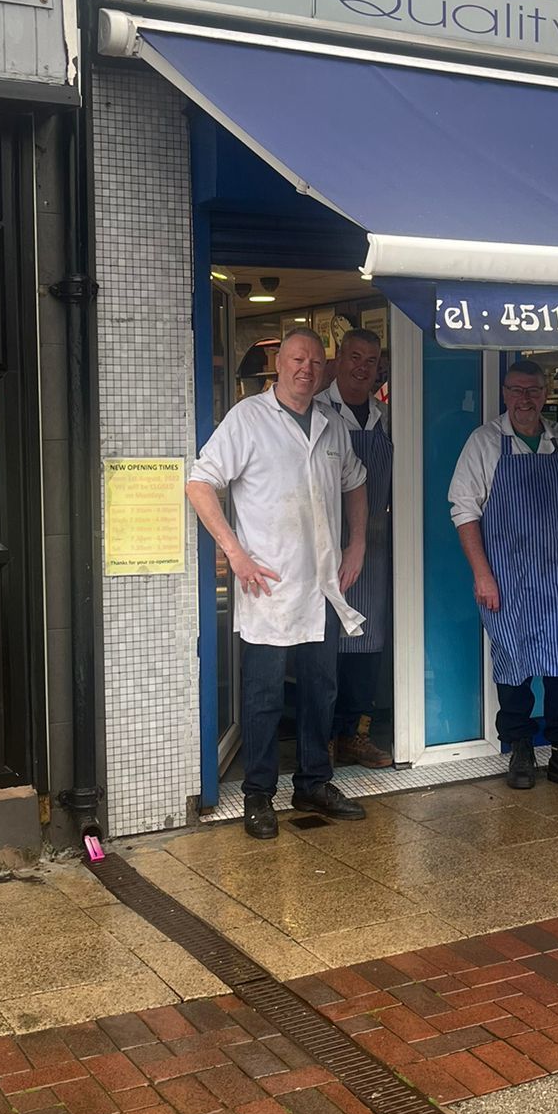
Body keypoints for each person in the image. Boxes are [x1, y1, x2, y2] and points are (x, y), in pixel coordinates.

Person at [187, 328, 369, 840]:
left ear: (323, 368)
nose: (305, 368)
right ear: (279, 364)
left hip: (322, 587)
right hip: (267, 587)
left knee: (320, 692)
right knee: (264, 696)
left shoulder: (332, 425)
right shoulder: (247, 418)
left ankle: (314, 782)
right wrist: (234, 552)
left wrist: (357, 546)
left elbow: (355, 481)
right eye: (296, 358)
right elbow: (200, 483)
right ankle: (259, 795)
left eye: (314, 360)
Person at [448, 356, 558, 794]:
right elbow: (464, 512)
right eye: (517, 390)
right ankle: (519, 746)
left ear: (545, 394)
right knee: (514, 662)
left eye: (533, 390)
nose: (525, 399)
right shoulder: (485, 442)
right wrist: (482, 575)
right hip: (506, 576)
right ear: (504, 394)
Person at [323, 328, 393, 769]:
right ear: (339, 359)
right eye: (354, 357)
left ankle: (355, 733)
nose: (362, 367)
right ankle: (324, 735)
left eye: (370, 360)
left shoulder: (386, 417)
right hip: (326, 544)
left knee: (368, 642)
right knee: (326, 644)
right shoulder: (317, 411)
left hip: (377, 546)